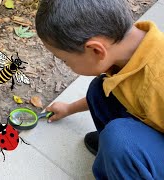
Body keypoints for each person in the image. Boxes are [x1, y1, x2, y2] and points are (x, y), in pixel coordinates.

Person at [35, 0, 164, 179]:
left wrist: (127, 149)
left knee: (120, 141)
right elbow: (122, 91)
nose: (65, 64)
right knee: (99, 90)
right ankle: (119, 154)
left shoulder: (157, 83)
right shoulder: (132, 47)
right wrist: (68, 108)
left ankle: (127, 156)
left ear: (96, 50)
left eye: (64, 60)